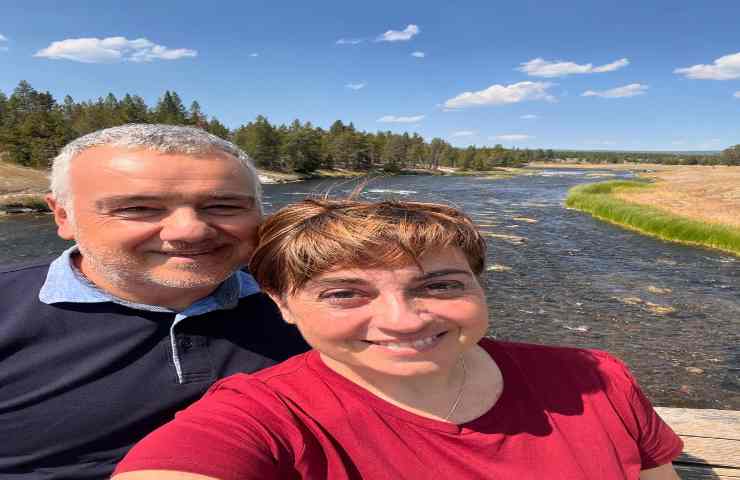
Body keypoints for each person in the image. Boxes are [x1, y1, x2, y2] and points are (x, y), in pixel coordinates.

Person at [113, 198, 683, 480]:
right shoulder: (261, 418)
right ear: (283, 304)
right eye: (343, 294)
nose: (404, 319)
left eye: (438, 284)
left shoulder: (594, 376)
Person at [0, 124, 309, 479]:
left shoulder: (315, 303)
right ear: (63, 216)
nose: (189, 230)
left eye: (223, 205)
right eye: (138, 208)